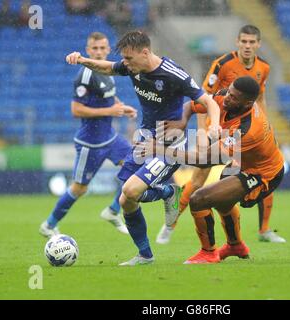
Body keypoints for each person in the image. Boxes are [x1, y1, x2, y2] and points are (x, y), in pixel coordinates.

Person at [65, 30, 221, 266]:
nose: (125, 64)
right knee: (126, 199)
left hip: (169, 145)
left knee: (130, 190)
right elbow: (108, 67)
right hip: (145, 140)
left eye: (129, 59)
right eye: (124, 59)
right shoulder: (132, 66)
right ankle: (145, 254)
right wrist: (82, 60)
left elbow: (207, 101)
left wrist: (215, 126)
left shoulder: (173, 74)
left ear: (145, 53)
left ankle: (169, 192)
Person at [156, 25, 286, 244]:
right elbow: (204, 99)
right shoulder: (223, 64)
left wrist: (266, 127)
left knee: (259, 170)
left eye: (252, 42)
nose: (247, 46)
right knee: (197, 181)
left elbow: (260, 99)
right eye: (244, 41)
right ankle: (171, 224)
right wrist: (203, 134)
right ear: (237, 42)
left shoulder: (263, 67)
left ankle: (263, 230)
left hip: (241, 133)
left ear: (258, 44)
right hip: (216, 127)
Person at [141, 76, 285, 263]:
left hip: (264, 174)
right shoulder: (225, 97)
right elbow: (191, 106)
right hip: (243, 163)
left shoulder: (247, 129)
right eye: (229, 91)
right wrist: (182, 121)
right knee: (222, 200)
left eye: (234, 97)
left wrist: (160, 150)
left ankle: (208, 253)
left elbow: (203, 160)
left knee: (199, 199)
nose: (227, 98)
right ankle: (236, 246)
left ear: (248, 103)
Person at [39, 32, 137, 238]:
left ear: (109, 49)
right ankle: (49, 225)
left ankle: (112, 211)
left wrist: (121, 106)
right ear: (88, 50)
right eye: (95, 49)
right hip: (90, 143)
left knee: (137, 167)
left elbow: (108, 96)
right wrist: (110, 111)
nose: (99, 52)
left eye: (103, 48)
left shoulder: (108, 69)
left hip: (110, 137)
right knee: (79, 189)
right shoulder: (84, 75)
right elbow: (76, 110)